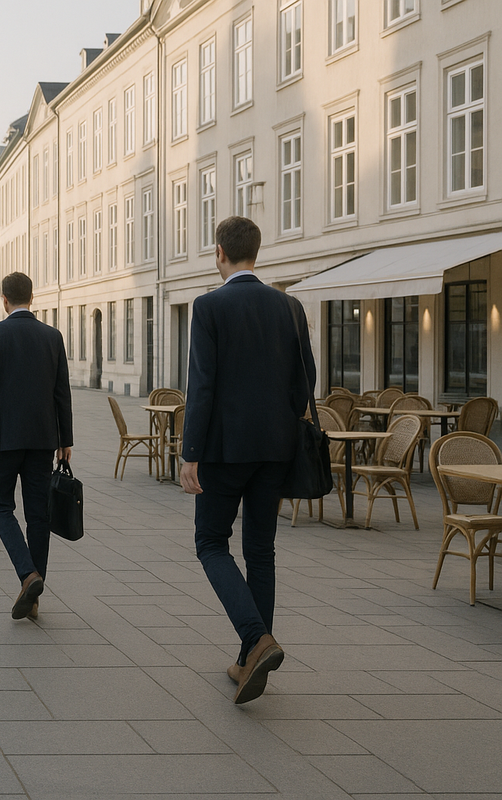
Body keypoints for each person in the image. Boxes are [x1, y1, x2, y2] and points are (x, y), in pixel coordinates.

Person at [180, 216, 316, 704]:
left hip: (223, 450)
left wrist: (189, 452)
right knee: (261, 550)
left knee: (211, 543)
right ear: (256, 252)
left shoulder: (210, 306)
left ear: (220, 252)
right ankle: (247, 660)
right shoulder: (290, 306)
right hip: (277, 450)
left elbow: (203, 385)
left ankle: (257, 639)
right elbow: (306, 381)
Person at [0, 272, 73, 621]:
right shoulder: (52, 336)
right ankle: (33, 596)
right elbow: (62, 391)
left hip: (4, 439)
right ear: (33, 298)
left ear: (4, 299)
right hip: (43, 440)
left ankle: (28, 574)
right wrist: (66, 440)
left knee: (1, 508)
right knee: (38, 515)